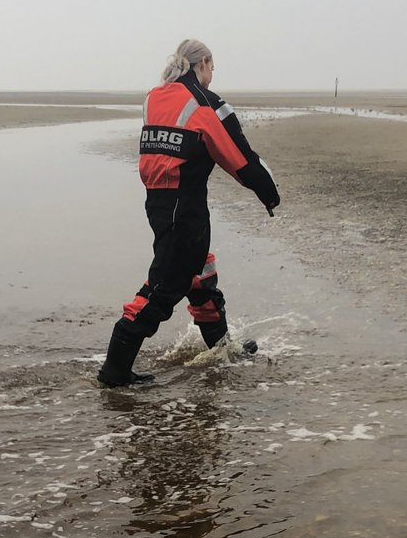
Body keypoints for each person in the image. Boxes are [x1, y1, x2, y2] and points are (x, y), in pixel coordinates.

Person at [97, 39, 281, 387]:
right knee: (166, 285)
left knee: (200, 272)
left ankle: (222, 349)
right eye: (213, 66)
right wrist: (269, 194)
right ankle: (114, 370)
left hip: (158, 202)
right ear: (204, 63)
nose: (214, 73)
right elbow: (239, 157)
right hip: (185, 206)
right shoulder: (205, 104)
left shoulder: (154, 96)